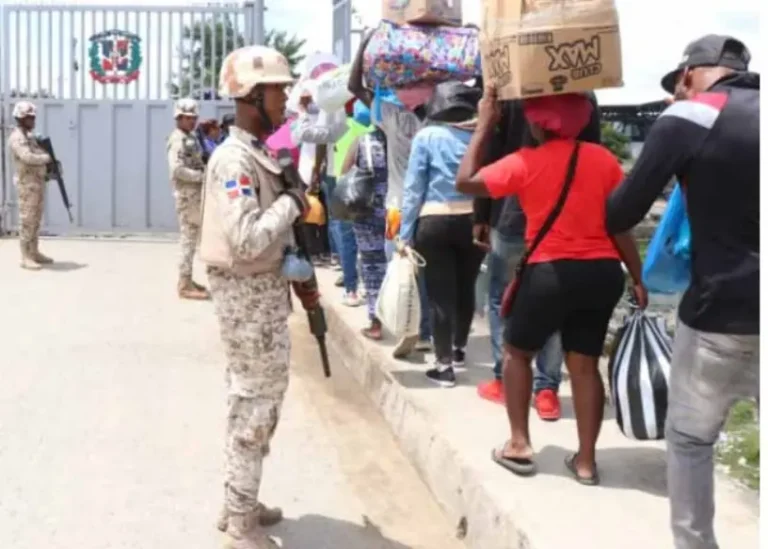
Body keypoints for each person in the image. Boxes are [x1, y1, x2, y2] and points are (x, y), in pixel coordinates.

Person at [605, 35, 759, 549]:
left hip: (722, 312)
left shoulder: (690, 117)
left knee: (691, 439)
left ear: (691, 73)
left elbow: (620, 214)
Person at [457, 89, 646, 485]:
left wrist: (486, 125)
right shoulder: (605, 160)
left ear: (538, 123)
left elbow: (466, 182)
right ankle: (587, 462)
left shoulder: (526, 161)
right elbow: (620, 226)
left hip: (550, 273)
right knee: (584, 364)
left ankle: (520, 444)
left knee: (516, 353)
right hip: (603, 274)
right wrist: (638, 276)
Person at [198, 44, 313, 549]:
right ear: (250, 95)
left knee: (255, 403)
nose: (285, 100)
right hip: (247, 297)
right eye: (278, 91)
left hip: (261, 293)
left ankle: (239, 499)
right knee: (255, 405)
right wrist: (292, 202)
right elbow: (246, 238)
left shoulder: (256, 153)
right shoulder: (234, 161)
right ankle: (241, 523)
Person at [473, 92, 603, 417]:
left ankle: (504, 381)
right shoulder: (584, 92)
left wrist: (481, 215)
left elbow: (489, 155)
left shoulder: (507, 92)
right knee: (558, 303)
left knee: (502, 297)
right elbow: (593, 152)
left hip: (511, 211)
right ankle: (547, 390)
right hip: (565, 219)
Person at [348, 31, 433, 357]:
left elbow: (355, 87)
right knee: (429, 270)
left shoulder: (391, 118)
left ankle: (405, 326)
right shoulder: (436, 120)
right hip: (434, 207)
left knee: (398, 269)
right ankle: (429, 332)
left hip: (397, 209)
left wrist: (364, 44)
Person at [399, 81, 486, 386]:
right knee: (466, 287)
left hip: (434, 221)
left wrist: (404, 232)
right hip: (475, 221)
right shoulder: (481, 137)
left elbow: (413, 189)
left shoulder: (427, 136)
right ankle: (460, 348)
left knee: (439, 295)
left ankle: (444, 365)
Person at [290, 86, 362, 305]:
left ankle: (351, 286)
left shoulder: (337, 120)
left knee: (345, 231)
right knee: (356, 233)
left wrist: (303, 110)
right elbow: (322, 142)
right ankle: (354, 277)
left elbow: (314, 136)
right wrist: (316, 169)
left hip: (341, 178)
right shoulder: (362, 120)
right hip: (352, 178)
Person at [339, 101, 389, 339]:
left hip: (367, 212)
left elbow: (345, 173)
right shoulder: (402, 141)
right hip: (396, 213)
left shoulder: (362, 141)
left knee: (371, 266)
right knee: (401, 268)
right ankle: (413, 325)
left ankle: (376, 322)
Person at [166, 98, 210, 300]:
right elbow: (177, 170)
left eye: (194, 118)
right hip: (187, 196)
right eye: (188, 118)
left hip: (194, 195)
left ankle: (187, 279)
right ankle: (184, 284)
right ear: (179, 118)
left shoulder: (189, 137)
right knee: (188, 239)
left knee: (191, 239)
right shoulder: (178, 140)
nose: (193, 121)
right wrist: (202, 177)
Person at [7, 101, 54, 270]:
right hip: (26, 185)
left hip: (37, 183)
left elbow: (39, 152)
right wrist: (46, 159)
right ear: (20, 118)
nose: (33, 120)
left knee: (36, 220)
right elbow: (27, 157)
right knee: (27, 220)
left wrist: (51, 163)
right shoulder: (17, 137)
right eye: (29, 117)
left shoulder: (30, 136)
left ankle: (34, 252)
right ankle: (25, 256)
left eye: (33, 117)